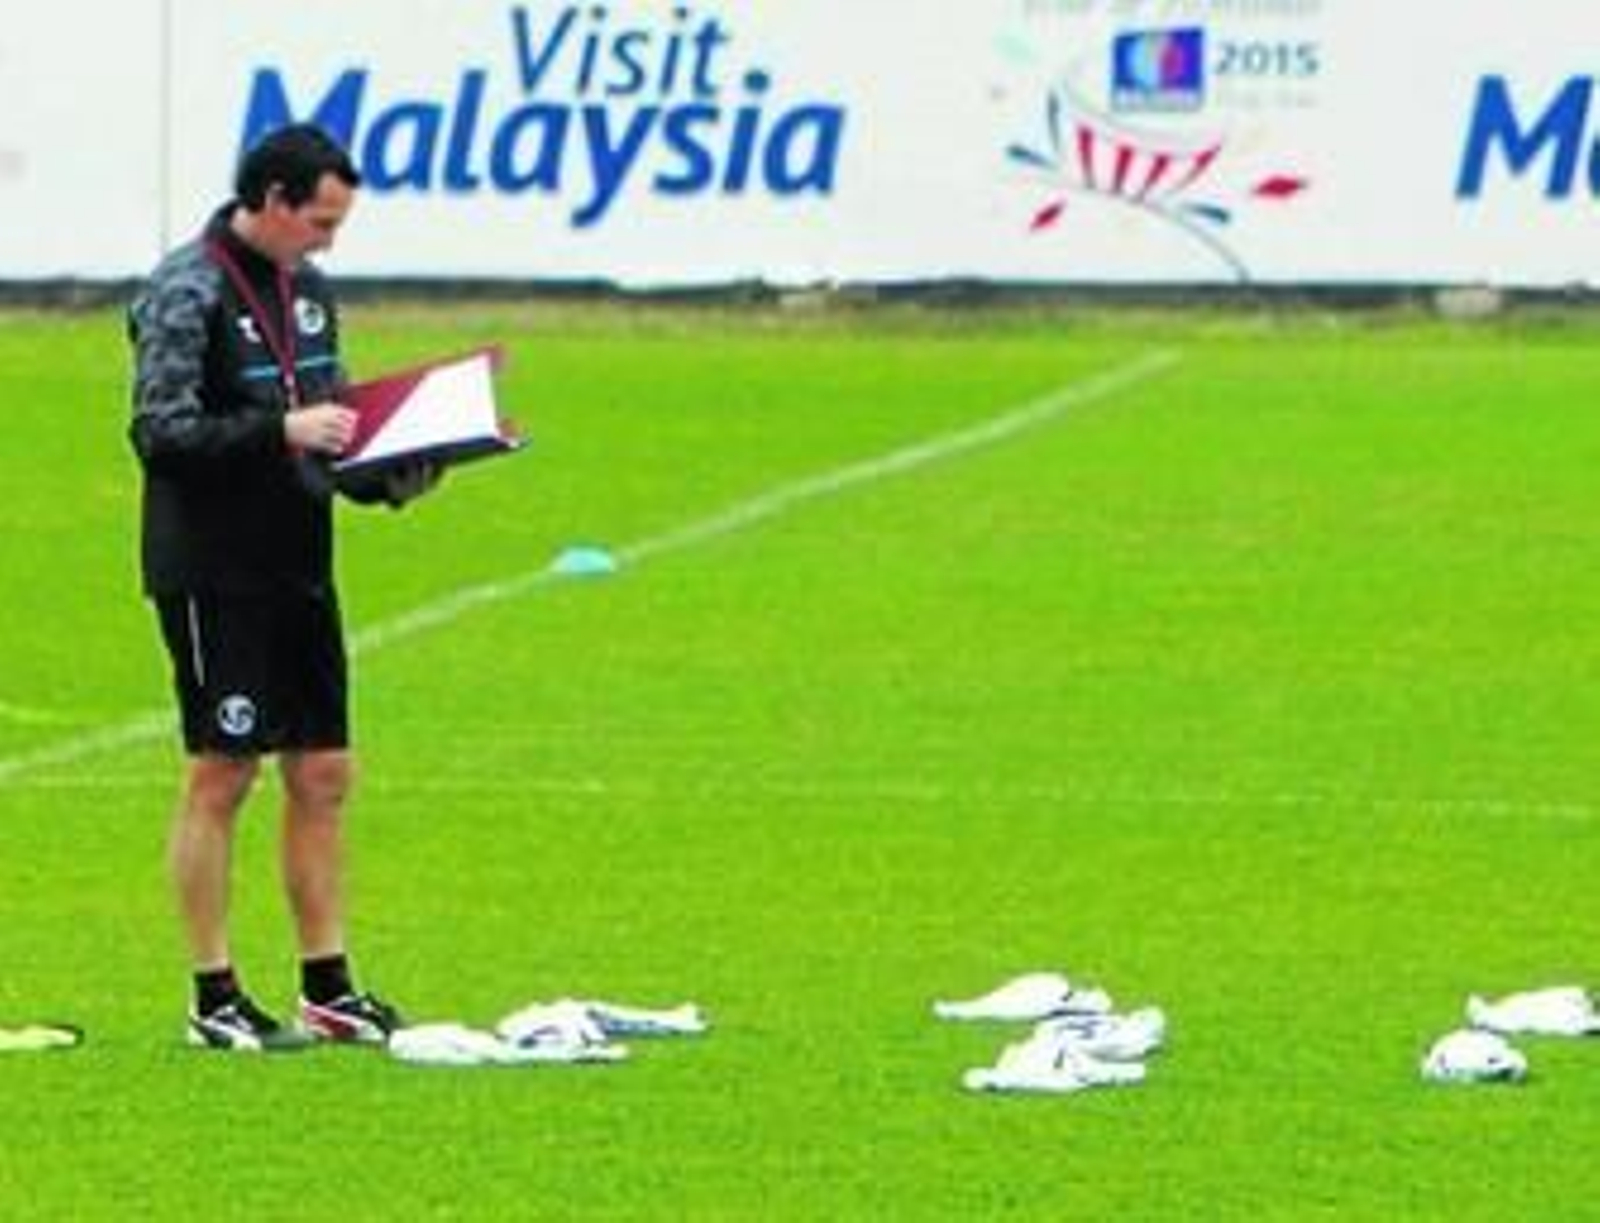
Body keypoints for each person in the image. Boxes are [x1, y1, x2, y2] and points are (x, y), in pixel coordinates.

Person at [128, 124, 436, 1051]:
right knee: (224, 772)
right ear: (270, 200)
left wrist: (392, 469)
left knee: (325, 772)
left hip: (299, 562)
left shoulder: (309, 291)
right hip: (213, 569)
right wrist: (280, 431)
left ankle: (327, 985)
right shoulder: (186, 289)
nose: (328, 242)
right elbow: (160, 432)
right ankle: (213, 994)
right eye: (320, 222)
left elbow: (330, 426)